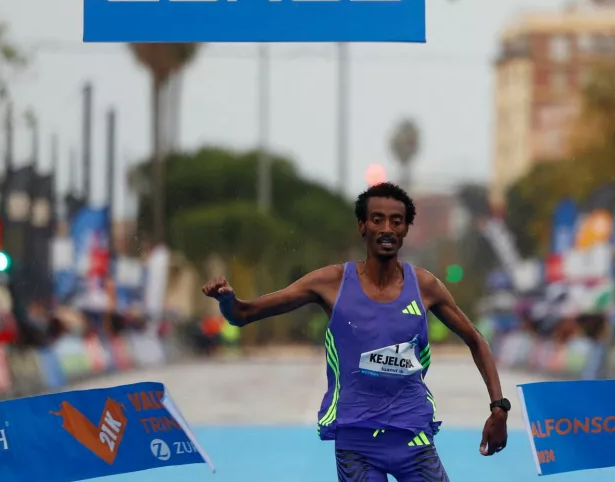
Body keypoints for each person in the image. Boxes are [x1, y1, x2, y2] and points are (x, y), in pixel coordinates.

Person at [202, 182, 508, 482]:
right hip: (356, 442)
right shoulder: (330, 283)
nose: (387, 228)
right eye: (377, 220)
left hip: (413, 436)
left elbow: (475, 339)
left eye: (396, 221)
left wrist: (499, 407)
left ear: (405, 230)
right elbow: (244, 314)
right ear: (362, 226)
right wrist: (228, 301)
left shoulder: (425, 286)